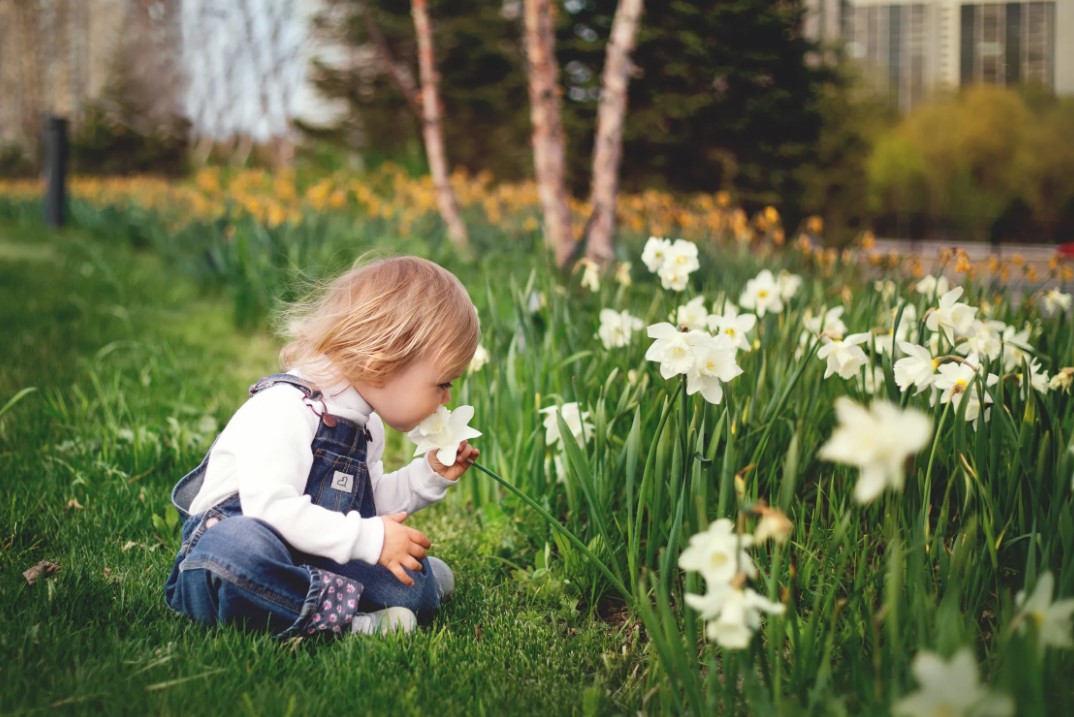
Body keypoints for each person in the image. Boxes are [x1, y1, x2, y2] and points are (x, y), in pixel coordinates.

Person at [164, 255, 481, 638]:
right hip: (234, 552)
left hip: (308, 551)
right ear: (383, 362)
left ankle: (399, 587)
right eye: (442, 383)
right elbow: (271, 510)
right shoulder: (286, 408)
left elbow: (367, 504)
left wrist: (427, 476)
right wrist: (370, 539)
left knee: (414, 588)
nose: (446, 399)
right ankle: (350, 624)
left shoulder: (366, 426)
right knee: (239, 552)